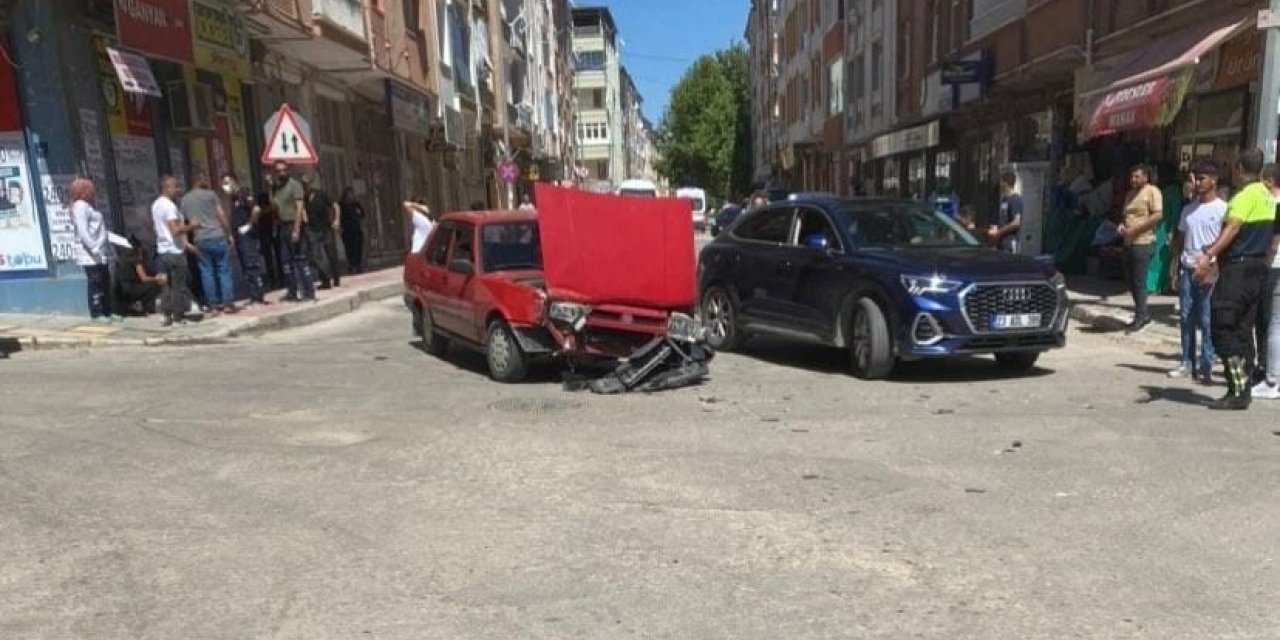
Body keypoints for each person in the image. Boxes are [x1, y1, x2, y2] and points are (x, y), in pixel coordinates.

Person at [1194, 148, 1276, 410]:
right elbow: (1273, 236)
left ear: (1239, 169)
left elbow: (1233, 228)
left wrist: (1209, 255)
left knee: (1222, 328)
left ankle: (1238, 387)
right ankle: (1244, 389)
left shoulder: (1244, 196)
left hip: (1239, 271)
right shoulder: (1267, 195)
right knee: (1242, 330)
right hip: (1258, 269)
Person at [1167, 161, 1226, 384]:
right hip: (1187, 268)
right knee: (1185, 317)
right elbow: (1180, 239)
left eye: (1202, 178)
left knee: (1207, 319)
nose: (1197, 183)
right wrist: (1174, 267)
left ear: (1214, 180)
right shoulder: (1188, 209)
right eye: (1196, 178)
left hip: (1210, 271)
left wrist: (1214, 265)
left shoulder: (1222, 209)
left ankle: (1206, 364)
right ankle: (1186, 361)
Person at [1116, 165, 1164, 334]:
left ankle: (1141, 316)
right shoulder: (1130, 194)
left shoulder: (1152, 191)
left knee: (1139, 281)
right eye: (1132, 177)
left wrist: (1137, 229)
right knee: (1131, 281)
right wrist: (1122, 226)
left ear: (1146, 176)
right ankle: (1141, 313)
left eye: (1137, 177)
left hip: (1143, 242)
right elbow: (1125, 216)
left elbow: (1157, 215)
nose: (1133, 180)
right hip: (1128, 242)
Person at [182, 172, 237, 314]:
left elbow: (182, 222)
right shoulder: (211, 195)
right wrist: (229, 233)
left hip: (200, 239)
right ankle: (227, 303)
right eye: (204, 178)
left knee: (206, 272)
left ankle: (212, 305)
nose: (206, 181)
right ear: (199, 180)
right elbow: (221, 215)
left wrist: (185, 242)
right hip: (217, 236)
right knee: (223, 269)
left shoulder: (185, 200)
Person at [69, 177, 119, 322]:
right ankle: (97, 313)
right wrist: (94, 247)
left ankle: (108, 311)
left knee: (105, 280)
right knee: (95, 282)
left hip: (100, 250)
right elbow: (83, 231)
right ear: (82, 191)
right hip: (90, 253)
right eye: (90, 189)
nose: (93, 191)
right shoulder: (80, 206)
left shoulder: (89, 206)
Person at [1249, 163, 1280, 399]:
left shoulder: (1274, 204)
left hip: (1273, 267)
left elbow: (1273, 241)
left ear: (1270, 180)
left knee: (1271, 324)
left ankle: (1271, 379)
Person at [152, 176, 200, 326]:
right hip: (174, 251)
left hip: (163, 250)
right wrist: (192, 226)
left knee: (166, 286)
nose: (177, 190)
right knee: (178, 286)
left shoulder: (156, 205)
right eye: (174, 187)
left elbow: (156, 227)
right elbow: (175, 230)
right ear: (166, 188)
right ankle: (178, 317)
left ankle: (167, 316)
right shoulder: (169, 206)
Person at [271, 161, 315, 302]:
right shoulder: (277, 188)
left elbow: (299, 207)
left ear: (288, 170)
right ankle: (292, 291)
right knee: (285, 262)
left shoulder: (294, 186)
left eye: (284, 170)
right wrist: (269, 187)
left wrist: (296, 229)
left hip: (293, 225)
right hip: (282, 226)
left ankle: (309, 293)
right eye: (278, 171)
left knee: (300, 260)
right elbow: (273, 205)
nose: (281, 173)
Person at [223, 173, 268, 305]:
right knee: (245, 267)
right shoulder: (233, 198)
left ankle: (259, 295)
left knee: (252, 265)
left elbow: (256, 210)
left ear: (234, 181)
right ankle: (254, 295)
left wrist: (248, 225)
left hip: (248, 236)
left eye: (227, 182)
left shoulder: (244, 194)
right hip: (239, 237)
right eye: (224, 183)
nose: (226, 186)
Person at [302, 175, 342, 289]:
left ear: (311, 184)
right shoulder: (303, 198)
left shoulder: (321, 194)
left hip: (325, 228)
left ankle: (336, 277)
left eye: (307, 184)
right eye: (303, 184)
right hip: (312, 230)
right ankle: (325, 280)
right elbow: (301, 208)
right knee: (315, 256)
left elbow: (335, 205)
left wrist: (337, 219)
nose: (305, 186)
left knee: (331, 254)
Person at [112, 240, 164, 315]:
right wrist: (157, 278)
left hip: (121, 290)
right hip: (129, 290)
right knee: (156, 285)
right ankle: (142, 305)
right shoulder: (136, 262)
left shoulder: (122, 262)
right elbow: (144, 278)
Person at [989, 171, 1023, 253]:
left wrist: (1000, 232)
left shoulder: (1015, 200)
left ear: (1005, 183)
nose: (999, 185)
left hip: (1010, 241)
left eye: (1001, 182)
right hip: (1001, 242)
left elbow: (1016, 222)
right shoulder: (1004, 200)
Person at [339, 187, 366, 274]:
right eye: (349, 194)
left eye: (352, 194)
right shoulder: (341, 205)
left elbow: (362, 214)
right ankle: (351, 264)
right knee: (349, 248)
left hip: (356, 229)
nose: (351, 196)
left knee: (358, 248)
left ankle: (358, 265)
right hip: (346, 230)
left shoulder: (356, 204)